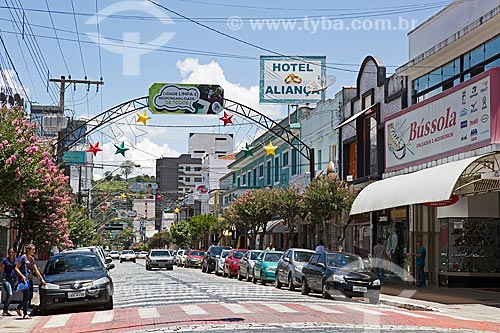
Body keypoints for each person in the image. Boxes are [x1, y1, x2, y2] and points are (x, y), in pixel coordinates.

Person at [14, 244, 46, 319]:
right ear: (28, 250)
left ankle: (18, 307)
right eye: (33, 250)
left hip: (29, 279)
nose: (34, 251)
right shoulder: (23, 258)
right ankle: (25, 314)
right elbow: (16, 268)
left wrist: (41, 279)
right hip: (24, 280)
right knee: (26, 296)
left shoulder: (31, 259)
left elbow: (36, 270)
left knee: (29, 296)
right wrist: (22, 276)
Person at [1, 248, 17, 316]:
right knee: (9, 293)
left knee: (9, 295)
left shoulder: (16, 260)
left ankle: (6, 310)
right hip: (6, 279)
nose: (11, 254)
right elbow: (1, 269)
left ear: (14, 253)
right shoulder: (5, 260)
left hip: (13, 279)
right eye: (9, 252)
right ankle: (5, 310)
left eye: (12, 252)